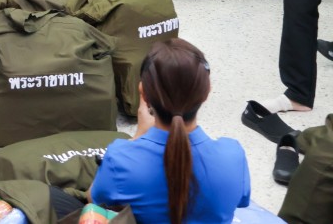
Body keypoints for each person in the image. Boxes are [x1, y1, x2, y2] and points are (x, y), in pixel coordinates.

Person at [82, 39, 250, 223]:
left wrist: (138, 138)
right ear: (207, 92)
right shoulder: (233, 155)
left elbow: (94, 199)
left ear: (143, 93)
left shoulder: (120, 158)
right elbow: (241, 201)